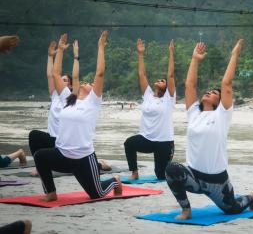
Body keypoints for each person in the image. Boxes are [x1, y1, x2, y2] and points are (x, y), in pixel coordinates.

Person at [165, 39, 253, 220]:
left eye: (215, 93)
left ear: (220, 101)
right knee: (171, 169)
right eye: (208, 91)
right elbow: (190, 85)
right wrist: (195, 59)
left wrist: (234, 55)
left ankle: (252, 197)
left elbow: (226, 83)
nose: (209, 92)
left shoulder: (222, 115)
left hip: (216, 181)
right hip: (193, 177)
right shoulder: (194, 113)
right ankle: (186, 210)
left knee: (233, 209)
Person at [33, 32, 122, 202]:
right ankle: (50, 192)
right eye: (86, 82)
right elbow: (56, 74)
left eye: (91, 83)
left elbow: (100, 74)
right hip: (62, 155)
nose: (88, 83)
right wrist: (60, 50)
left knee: (97, 194)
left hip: (83, 158)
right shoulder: (68, 98)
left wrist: (101, 47)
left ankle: (115, 181)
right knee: (40, 156)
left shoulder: (93, 102)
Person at [29, 41, 110, 176]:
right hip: (56, 142)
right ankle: (41, 168)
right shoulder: (60, 96)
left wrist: (77, 56)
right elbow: (53, 74)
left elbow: (84, 76)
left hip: (70, 145)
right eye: (62, 79)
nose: (61, 81)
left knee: (83, 166)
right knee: (34, 136)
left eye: (66, 80)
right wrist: (53, 55)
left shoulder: (86, 101)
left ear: (73, 85)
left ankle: (98, 164)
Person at [124, 39, 175, 180]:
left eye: (162, 81)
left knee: (161, 175)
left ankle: (177, 170)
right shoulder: (147, 95)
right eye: (160, 79)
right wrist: (140, 54)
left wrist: (171, 53)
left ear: (166, 87)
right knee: (129, 143)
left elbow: (170, 75)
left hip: (164, 142)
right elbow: (142, 74)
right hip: (147, 138)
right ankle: (134, 172)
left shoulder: (168, 99)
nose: (160, 80)